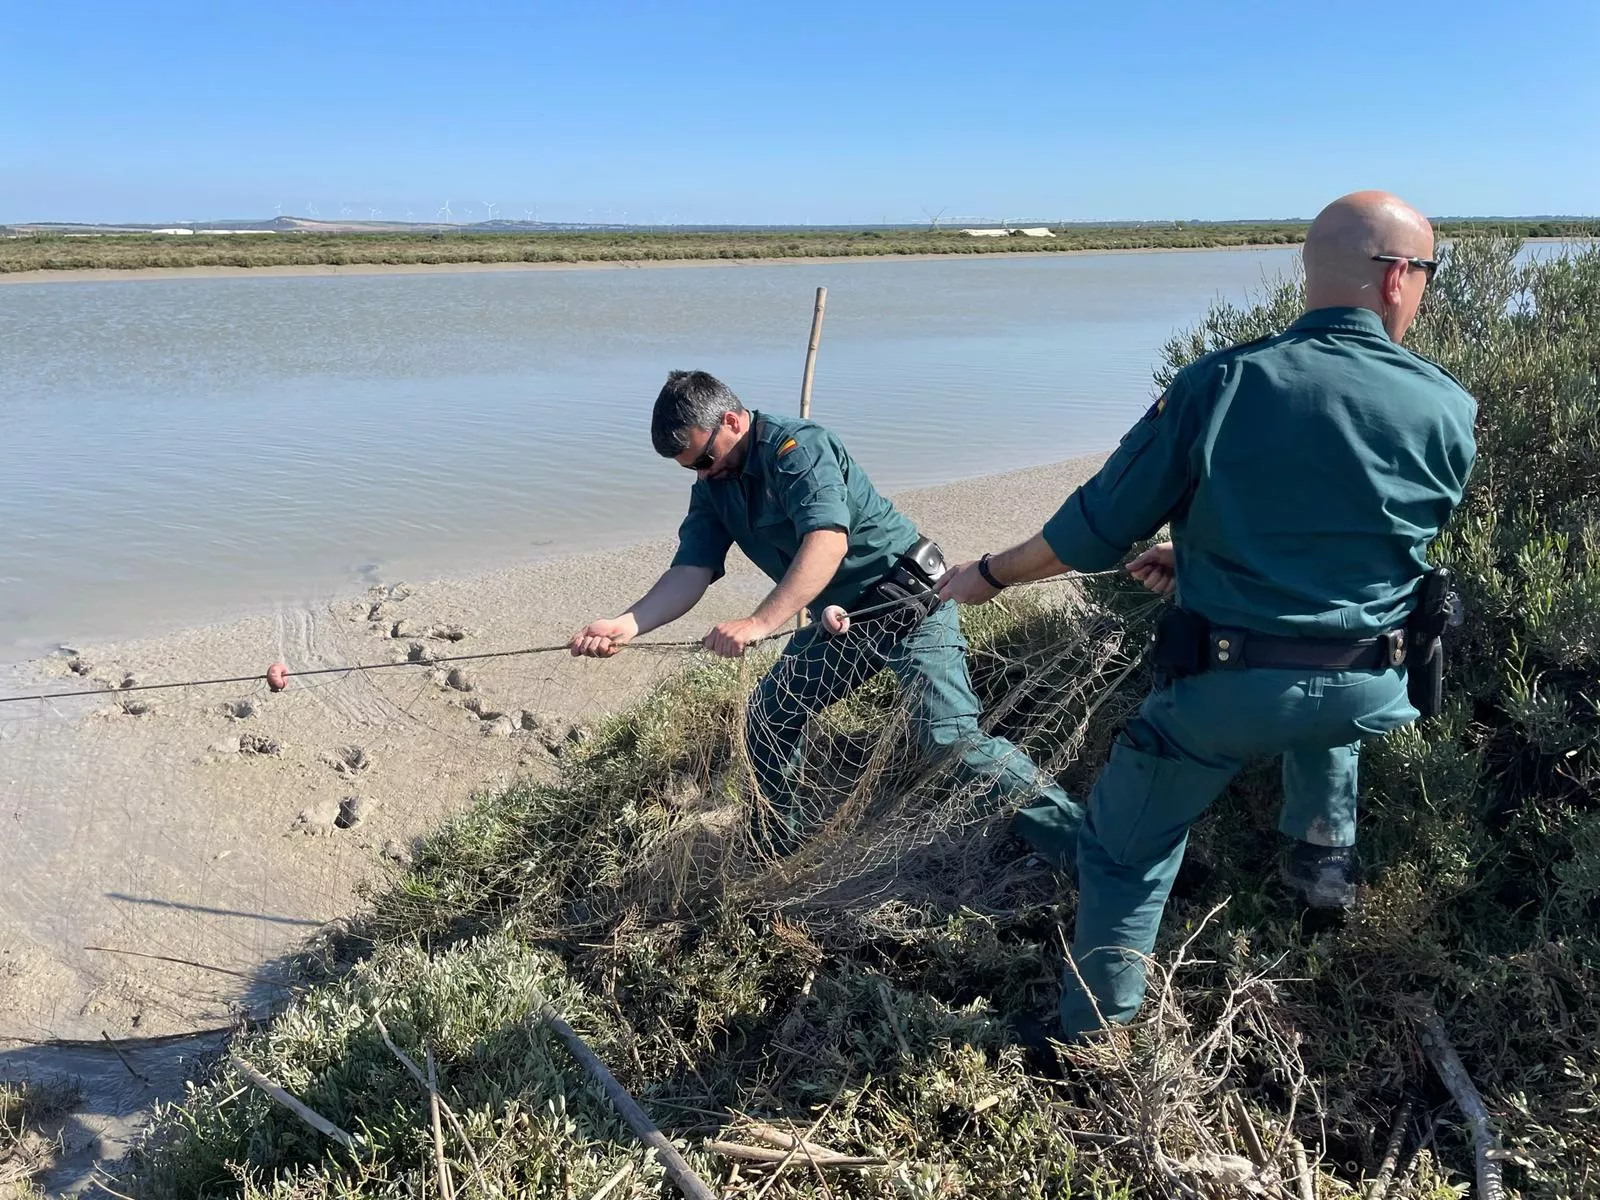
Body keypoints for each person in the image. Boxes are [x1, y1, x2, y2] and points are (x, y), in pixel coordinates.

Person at [938, 191, 1478, 1039]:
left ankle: (1093, 1038)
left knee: (1122, 850)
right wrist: (1198, 555)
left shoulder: (1222, 383)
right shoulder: (1448, 407)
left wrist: (994, 575)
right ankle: (1321, 868)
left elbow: (1093, 531)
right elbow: (1365, 543)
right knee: (1324, 706)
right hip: (1375, 690)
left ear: (1317, 277)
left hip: (1229, 694)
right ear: (1399, 278)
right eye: (1428, 273)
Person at [570, 370, 1082, 853]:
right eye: (691, 469)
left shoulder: (798, 448)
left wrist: (758, 624)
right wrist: (626, 624)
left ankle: (1086, 846)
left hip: (910, 601)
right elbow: (690, 571)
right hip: (842, 623)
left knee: (947, 738)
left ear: (731, 420)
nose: (704, 473)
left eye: (704, 459)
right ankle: (777, 844)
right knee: (768, 718)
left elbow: (827, 543)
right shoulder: (713, 487)